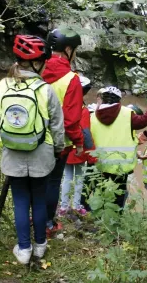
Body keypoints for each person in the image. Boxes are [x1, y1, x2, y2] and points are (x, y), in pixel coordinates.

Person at [0, 35, 65, 264]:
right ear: (35, 63)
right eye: (42, 60)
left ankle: (23, 250)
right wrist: (58, 149)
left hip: (12, 153)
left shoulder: (3, 85)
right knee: (39, 200)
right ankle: (40, 245)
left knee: (20, 200)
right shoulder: (45, 89)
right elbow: (57, 126)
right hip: (41, 153)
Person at [41, 28, 84, 237]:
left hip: (33, 138)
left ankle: (34, 217)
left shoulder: (36, 71)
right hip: (59, 143)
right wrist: (79, 142)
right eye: (74, 50)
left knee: (36, 182)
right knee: (52, 182)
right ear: (67, 49)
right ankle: (47, 223)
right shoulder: (71, 79)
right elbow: (71, 121)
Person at [90, 86, 147, 210]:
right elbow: (143, 121)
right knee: (120, 194)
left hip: (100, 164)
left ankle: (100, 216)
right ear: (119, 100)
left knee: (101, 191)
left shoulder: (92, 116)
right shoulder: (126, 114)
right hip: (121, 166)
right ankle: (116, 220)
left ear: (103, 99)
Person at [59, 76, 96, 217]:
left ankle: (63, 207)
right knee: (79, 178)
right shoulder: (83, 110)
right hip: (78, 150)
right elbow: (85, 132)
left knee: (66, 177)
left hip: (66, 148)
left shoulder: (66, 105)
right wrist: (90, 152)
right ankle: (76, 205)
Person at [129, 104, 147, 198]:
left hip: (127, 171)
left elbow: (135, 141)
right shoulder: (119, 130)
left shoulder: (129, 130)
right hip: (119, 172)